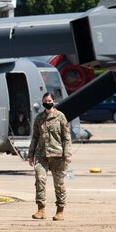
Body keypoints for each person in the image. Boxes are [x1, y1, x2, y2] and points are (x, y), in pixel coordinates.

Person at [28, 92, 71, 221]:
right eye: (45, 100)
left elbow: (66, 137)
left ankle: (60, 210)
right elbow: (35, 137)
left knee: (59, 184)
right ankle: (41, 209)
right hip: (41, 155)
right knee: (40, 179)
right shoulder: (39, 118)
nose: (47, 102)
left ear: (54, 101)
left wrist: (67, 154)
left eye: (49, 100)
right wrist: (31, 155)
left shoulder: (60, 117)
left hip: (57, 155)